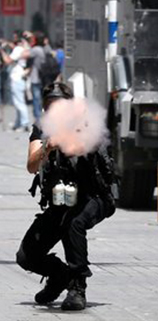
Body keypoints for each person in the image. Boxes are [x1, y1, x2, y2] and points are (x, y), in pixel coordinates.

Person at [16, 83, 117, 310]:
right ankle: (59, 275)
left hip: (94, 196)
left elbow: (83, 148)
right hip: (61, 200)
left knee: (74, 224)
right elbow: (31, 166)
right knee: (26, 255)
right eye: (50, 105)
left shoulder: (84, 123)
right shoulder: (42, 128)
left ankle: (77, 286)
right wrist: (47, 148)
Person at [0, 34, 30, 131]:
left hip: (17, 78)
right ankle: (18, 123)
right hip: (21, 77)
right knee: (18, 102)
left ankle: (25, 123)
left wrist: (1, 51)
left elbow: (7, 60)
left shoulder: (18, 49)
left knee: (19, 102)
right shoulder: (24, 49)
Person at [27, 31, 48, 120]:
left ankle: (38, 119)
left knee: (36, 99)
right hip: (44, 77)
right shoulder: (45, 48)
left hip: (36, 78)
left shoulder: (36, 49)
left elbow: (25, 54)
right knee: (41, 98)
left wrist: (27, 44)